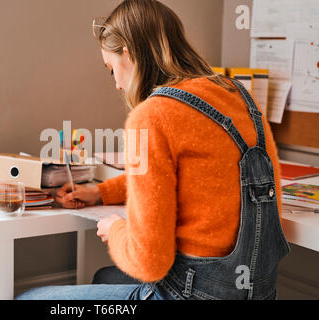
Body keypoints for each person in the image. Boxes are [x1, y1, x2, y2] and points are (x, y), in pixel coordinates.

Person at [16, 0, 290, 300]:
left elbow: (149, 263)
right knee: (104, 276)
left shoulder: (155, 114)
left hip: (190, 293)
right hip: (258, 290)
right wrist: (102, 193)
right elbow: (183, 177)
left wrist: (116, 230)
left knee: (30, 299)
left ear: (129, 54)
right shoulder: (240, 96)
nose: (118, 85)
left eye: (112, 70)